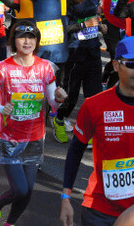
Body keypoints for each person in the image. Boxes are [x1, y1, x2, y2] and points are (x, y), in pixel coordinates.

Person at [0, 21, 68, 226]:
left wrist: (59, 99)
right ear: (14, 41)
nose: (27, 42)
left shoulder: (46, 67)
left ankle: (9, 223)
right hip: (8, 136)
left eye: (31, 37)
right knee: (19, 189)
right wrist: (2, 108)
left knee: (28, 190)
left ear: (37, 41)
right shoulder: (1, 68)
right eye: (22, 37)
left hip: (35, 137)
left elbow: (52, 103)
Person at [60, 35, 134, 226]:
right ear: (116, 65)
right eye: (131, 64)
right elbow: (75, 150)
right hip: (100, 209)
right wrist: (65, 197)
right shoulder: (94, 105)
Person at [53, 0, 104, 143]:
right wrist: (83, 25)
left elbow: (94, 18)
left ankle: (88, 130)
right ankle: (59, 120)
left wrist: (100, 25)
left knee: (94, 95)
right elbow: (63, 28)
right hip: (75, 54)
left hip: (93, 50)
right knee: (70, 95)